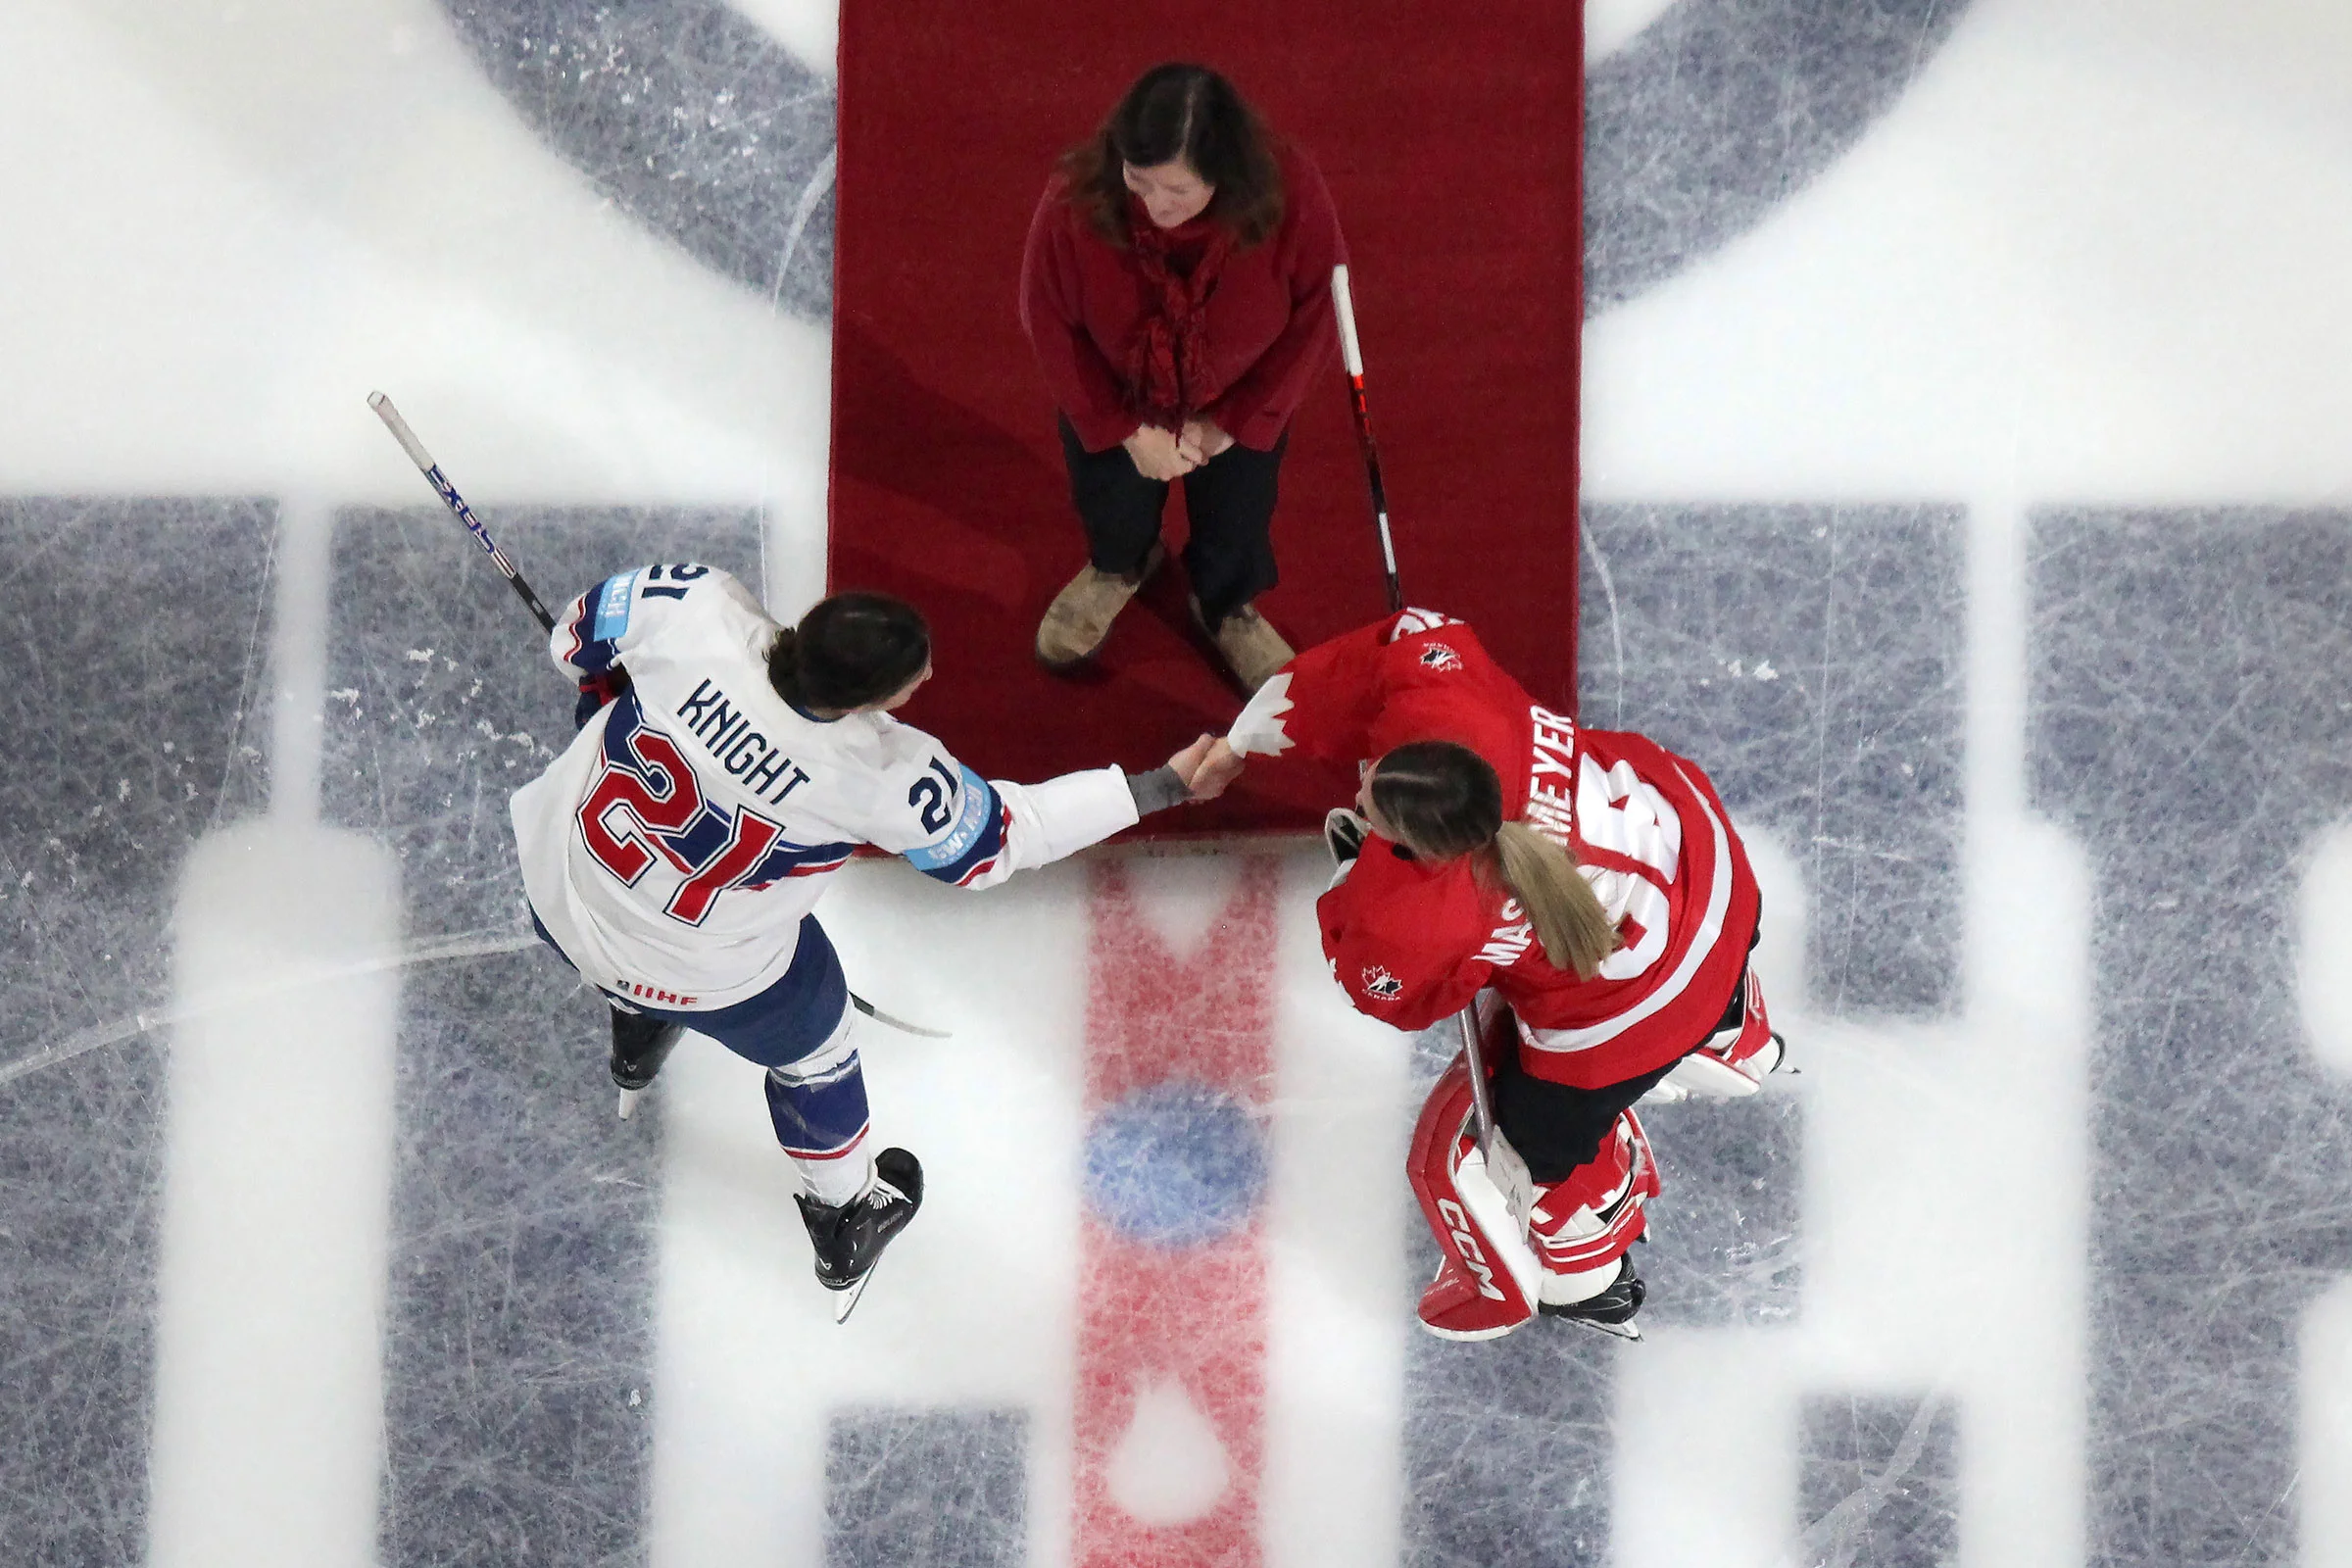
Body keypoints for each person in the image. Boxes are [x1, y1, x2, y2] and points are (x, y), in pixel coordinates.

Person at [511, 563, 1241, 1314]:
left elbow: (574, 645)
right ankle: (845, 1215)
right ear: (868, 700)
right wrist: (1165, 785)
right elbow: (1000, 843)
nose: (920, 688)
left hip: (556, 883)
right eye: (910, 683)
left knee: (642, 924)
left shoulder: (693, 603)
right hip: (694, 965)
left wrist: (627, 704)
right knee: (817, 1045)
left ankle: (638, 1023)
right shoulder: (880, 772)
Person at [1222, 607, 1786, 1340]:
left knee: (1521, 1155)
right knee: (1653, 968)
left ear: (1420, 848)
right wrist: (1293, 708)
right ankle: (1733, 1026)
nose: (1359, 795)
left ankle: (1590, 1269)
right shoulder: (1460, 713)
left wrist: (1349, 886)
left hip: (1639, 1008)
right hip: (1712, 872)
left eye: (1373, 807)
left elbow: (1401, 998)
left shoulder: (1426, 915)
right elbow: (1417, 634)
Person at [1019, 62, 1347, 693]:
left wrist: (1237, 423)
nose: (1153, 206)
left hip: (1238, 400)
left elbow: (1315, 315)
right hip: (1119, 396)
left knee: (1238, 517)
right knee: (1109, 503)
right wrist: (1121, 428)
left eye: (1178, 191)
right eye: (1139, 181)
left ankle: (1225, 605)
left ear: (1223, 170)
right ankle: (1120, 566)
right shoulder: (1077, 194)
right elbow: (1048, 315)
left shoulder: (1290, 190)